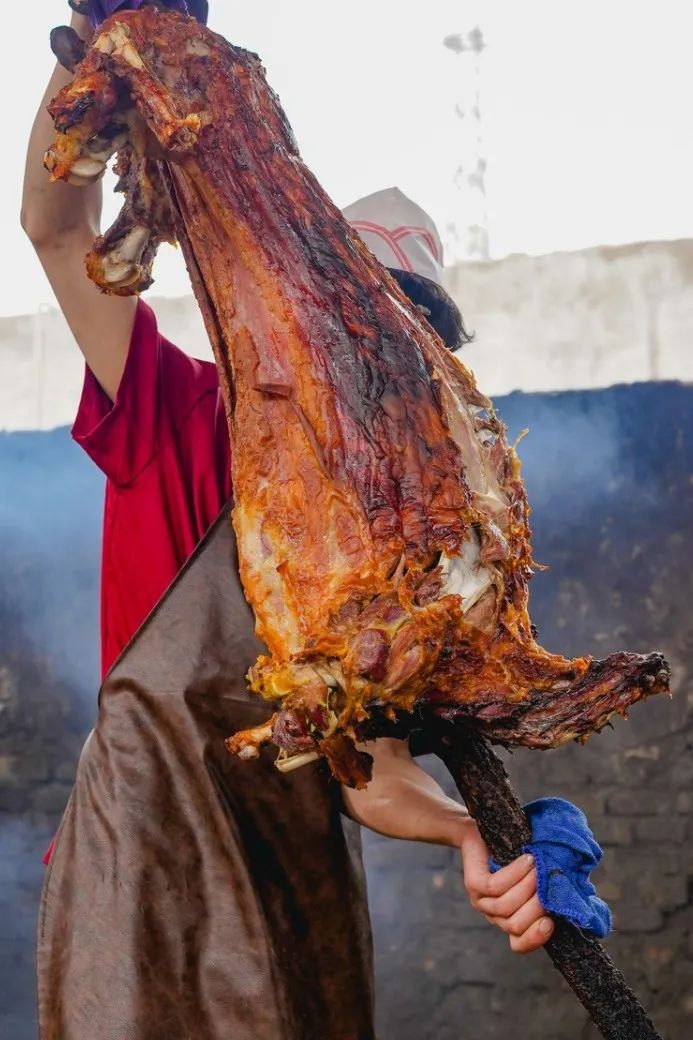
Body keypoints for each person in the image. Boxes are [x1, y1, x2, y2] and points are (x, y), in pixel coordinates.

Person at [21, 5, 555, 961]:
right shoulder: (178, 413)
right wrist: (100, 57)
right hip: (136, 883)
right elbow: (59, 234)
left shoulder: (409, 558)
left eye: (412, 328)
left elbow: (373, 773)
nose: (382, 353)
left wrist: (470, 834)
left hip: (289, 910)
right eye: (362, 315)